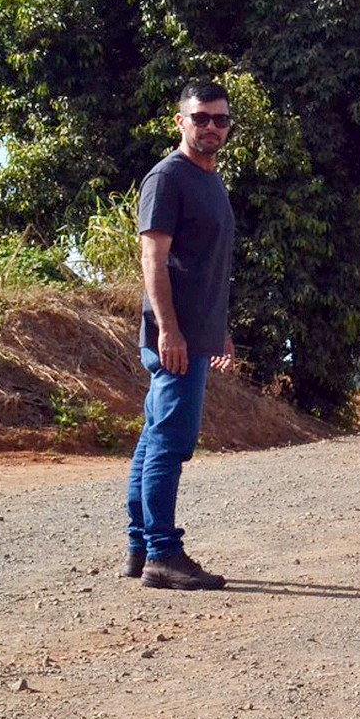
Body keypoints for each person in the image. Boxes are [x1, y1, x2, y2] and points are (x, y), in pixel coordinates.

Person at [122, 80, 238, 590]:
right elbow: (152, 257)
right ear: (180, 121)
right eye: (200, 117)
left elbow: (208, 267)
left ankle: (139, 546)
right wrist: (169, 329)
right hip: (175, 338)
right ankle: (163, 555)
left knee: (155, 440)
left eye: (220, 119)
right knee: (171, 444)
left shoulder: (209, 180)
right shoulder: (167, 178)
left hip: (197, 333)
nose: (211, 126)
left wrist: (222, 331)